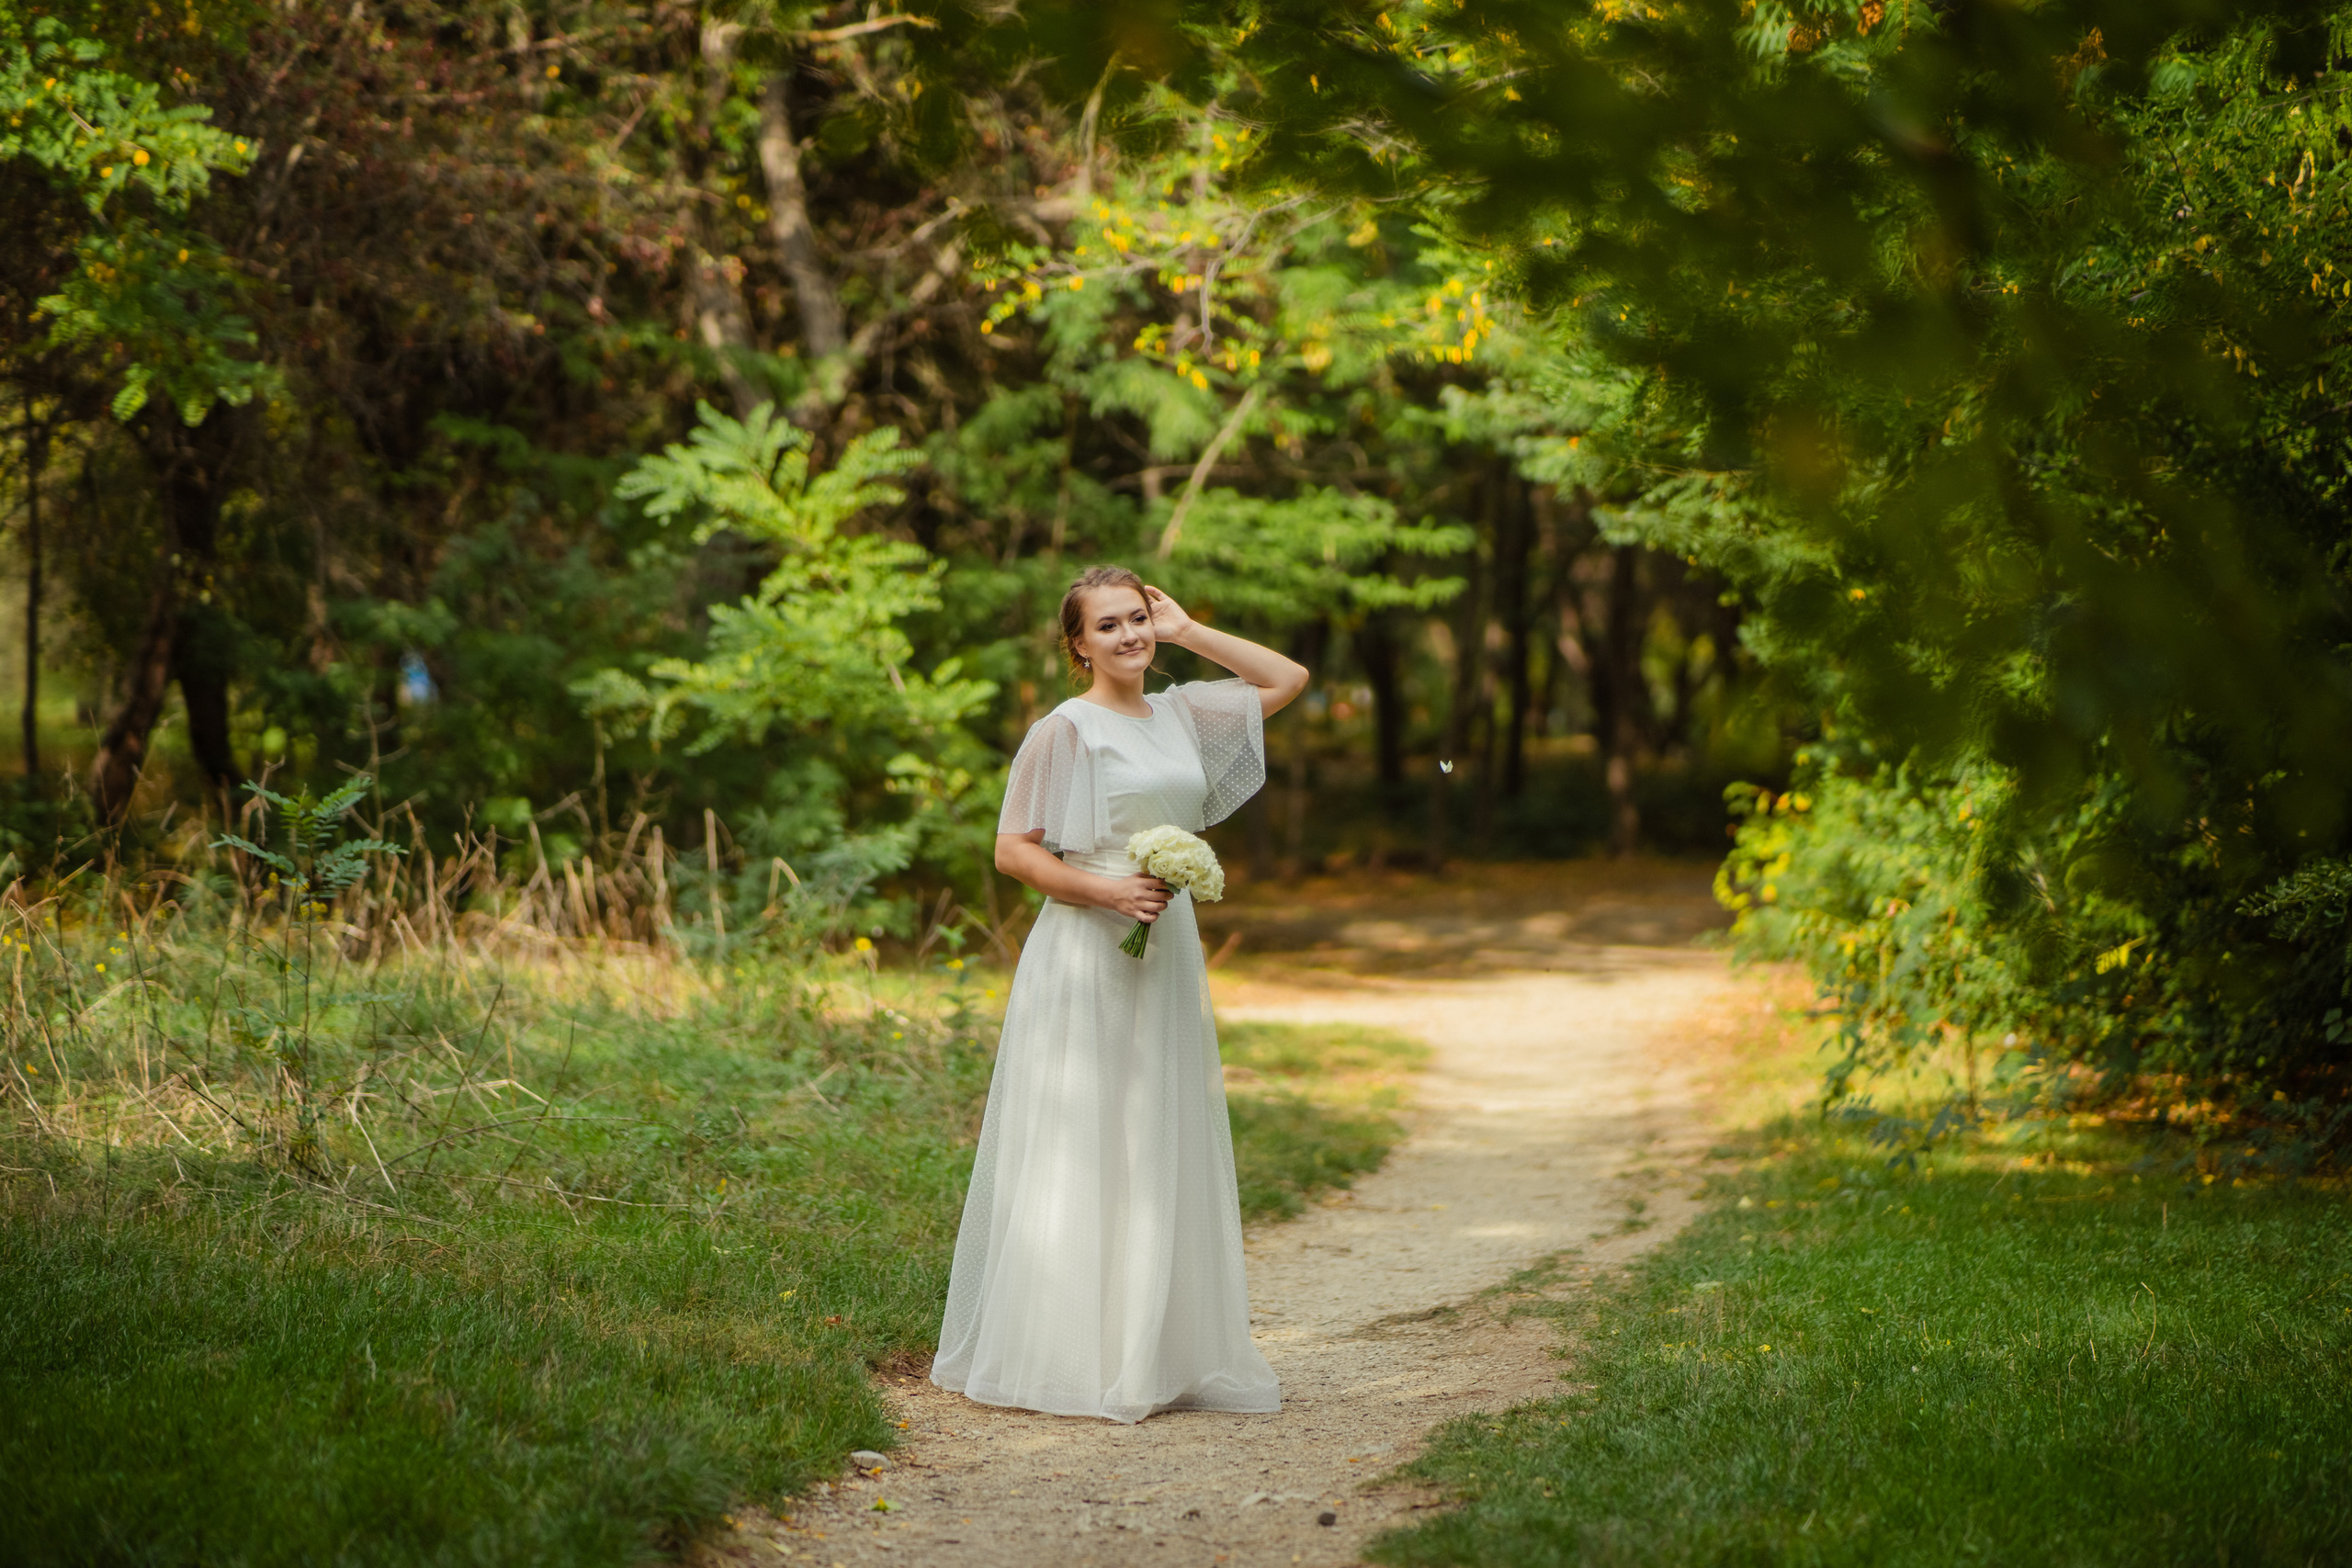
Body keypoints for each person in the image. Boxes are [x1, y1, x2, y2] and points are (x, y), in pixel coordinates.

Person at [930, 565, 1310, 1423]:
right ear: (1078, 644)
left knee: (1155, 1130)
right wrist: (1106, 893)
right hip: (1088, 946)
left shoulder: (1183, 712)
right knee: (1087, 1133)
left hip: (1166, 943)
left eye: (1138, 619)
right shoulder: (1063, 730)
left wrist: (1191, 631)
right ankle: (1071, 1352)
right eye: (1109, 626)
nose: (1130, 636)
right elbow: (1012, 850)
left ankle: (1152, 1346)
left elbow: (1287, 680)